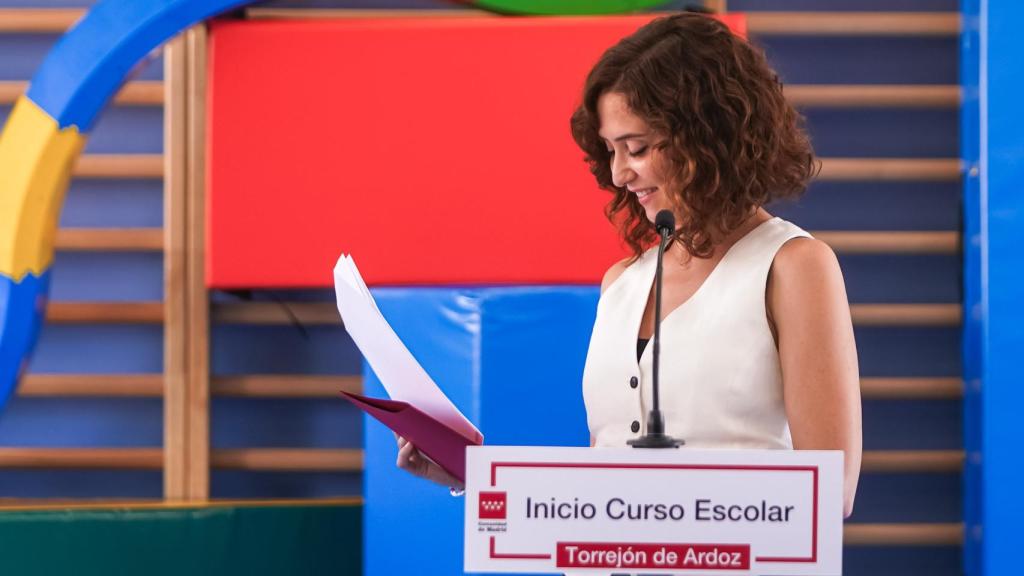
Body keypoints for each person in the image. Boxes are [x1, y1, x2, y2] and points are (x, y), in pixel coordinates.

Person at [399, 12, 862, 518]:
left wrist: (656, 512)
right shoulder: (622, 283)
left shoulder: (793, 266)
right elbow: (606, 484)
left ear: (708, 137)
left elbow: (828, 492)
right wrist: (476, 475)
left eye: (636, 148)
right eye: (611, 150)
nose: (620, 173)